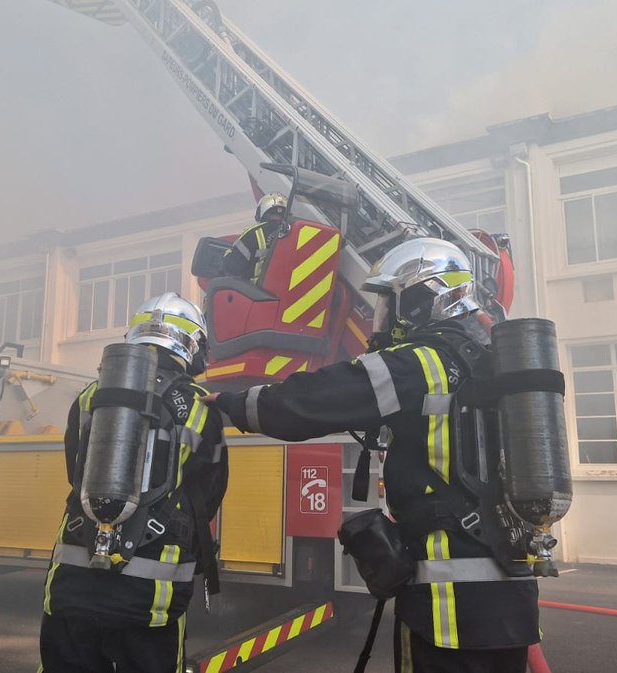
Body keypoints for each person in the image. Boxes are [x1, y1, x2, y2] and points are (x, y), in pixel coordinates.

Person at [204, 238, 539, 673]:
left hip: (448, 604)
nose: (385, 317)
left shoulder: (419, 363)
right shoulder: (496, 366)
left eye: (391, 302)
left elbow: (312, 401)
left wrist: (232, 403)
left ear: (421, 300)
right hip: (512, 599)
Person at [40, 292, 228, 673]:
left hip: (72, 584)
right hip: (149, 598)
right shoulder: (198, 407)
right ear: (191, 345)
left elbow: (74, 468)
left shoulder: (90, 396)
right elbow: (209, 492)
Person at [221, 192, 289, 283]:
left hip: (255, 292)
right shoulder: (296, 233)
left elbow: (232, 267)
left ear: (261, 212)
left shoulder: (254, 233)